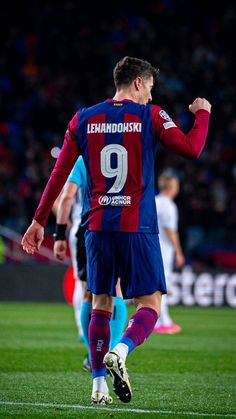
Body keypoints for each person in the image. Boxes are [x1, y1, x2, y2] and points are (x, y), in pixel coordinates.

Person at [21, 56, 211, 405]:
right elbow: (192, 148)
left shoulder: (82, 118)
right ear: (138, 82)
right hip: (137, 225)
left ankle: (97, 387)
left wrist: (38, 220)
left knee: (100, 304)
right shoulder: (150, 116)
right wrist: (202, 114)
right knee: (150, 304)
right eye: (150, 88)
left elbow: (59, 174)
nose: (152, 97)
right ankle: (121, 351)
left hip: (96, 226)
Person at [53, 156, 127, 372]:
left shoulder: (83, 158)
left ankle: (92, 355)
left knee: (87, 291)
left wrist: (59, 233)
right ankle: (113, 351)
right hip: (119, 225)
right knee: (117, 289)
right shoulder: (123, 152)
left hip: (87, 227)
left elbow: (66, 196)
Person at [153, 170, 185, 334]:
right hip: (164, 251)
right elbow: (170, 231)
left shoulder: (154, 201)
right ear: (172, 186)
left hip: (150, 248)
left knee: (153, 287)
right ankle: (161, 322)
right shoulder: (169, 206)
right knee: (161, 287)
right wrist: (178, 252)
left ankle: (161, 319)